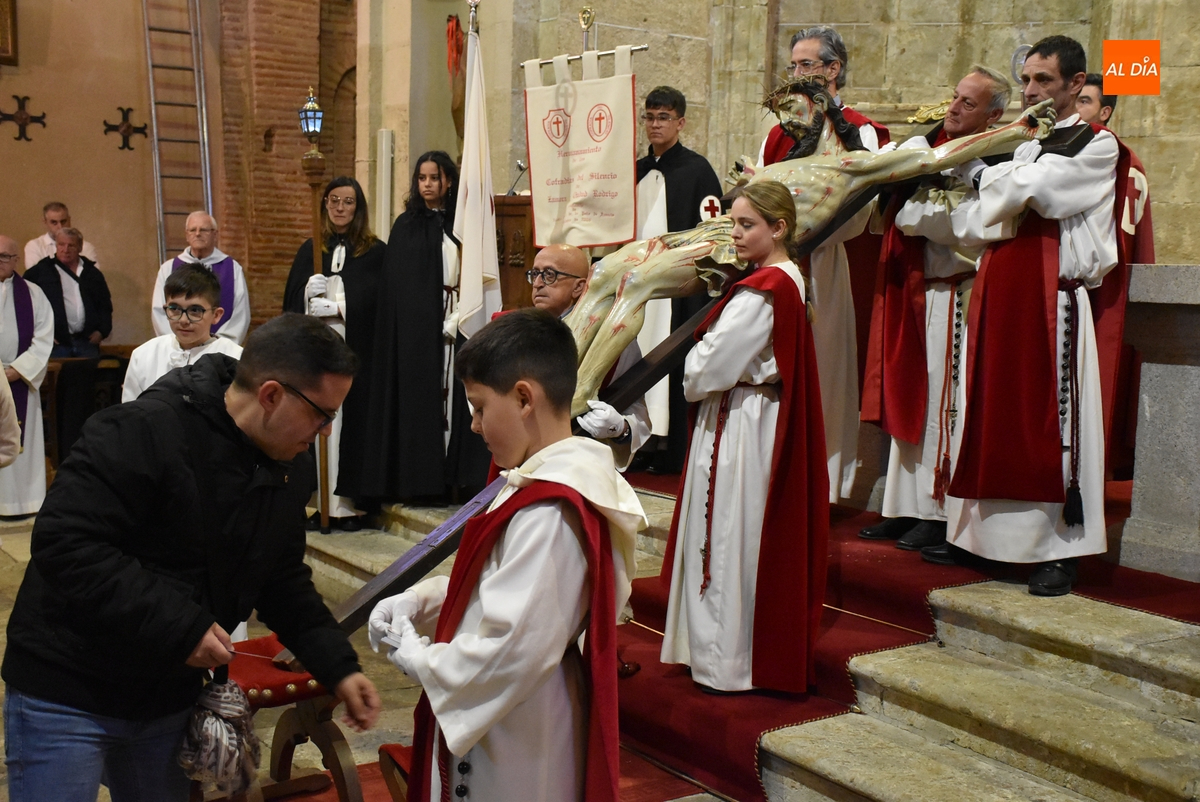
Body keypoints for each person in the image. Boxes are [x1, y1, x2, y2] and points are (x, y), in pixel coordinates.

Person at [2, 314, 381, 801]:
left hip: (165, 697)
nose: (327, 431)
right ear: (270, 395)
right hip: (68, 688)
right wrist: (183, 627)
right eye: (321, 414)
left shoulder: (289, 463)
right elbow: (67, 545)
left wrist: (339, 666)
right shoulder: (140, 429)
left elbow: (281, 578)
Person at [368, 309, 644, 802]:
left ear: (523, 398)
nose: (473, 425)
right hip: (510, 706)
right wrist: (421, 600)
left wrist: (417, 658)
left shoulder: (553, 510)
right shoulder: (537, 478)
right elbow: (497, 577)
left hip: (518, 721)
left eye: (477, 407)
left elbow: (512, 647)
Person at [918, 36, 1135, 597]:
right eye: (1026, 81)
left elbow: (1044, 193)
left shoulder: (1099, 144)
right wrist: (997, 184)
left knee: (1055, 423)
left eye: (1043, 80)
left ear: (1074, 81)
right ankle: (986, 541)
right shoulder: (1026, 145)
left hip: (1053, 299)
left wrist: (981, 177)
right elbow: (998, 208)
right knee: (989, 411)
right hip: (1004, 290)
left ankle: (1058, 551)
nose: (1032, 91)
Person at [659, 181, 829, 693]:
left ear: (778, 228)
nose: (733, 234)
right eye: (733, 222)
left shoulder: (765, 289)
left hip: (742, 420)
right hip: (749, 414)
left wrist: (701, 353)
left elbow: (703, 373)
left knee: (728, 534)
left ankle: (724, 662)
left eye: (746, 224)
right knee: (736, 534)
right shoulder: (781, 279)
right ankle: (727, 655)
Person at [859, 66, 1013, 551]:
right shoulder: (927, 149)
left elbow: (975, 226)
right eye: (954, 97)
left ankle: (939, 509)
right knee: (912, 400)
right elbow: (896, 215)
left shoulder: (1001, 157)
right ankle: (904, 507)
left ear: (995, 114)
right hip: (919, 289)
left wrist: (921, 218)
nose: (953, 109)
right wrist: (922, 217)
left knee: (947, 409)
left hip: (963, 295)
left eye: (968, 104)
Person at [757, 25, 890, 502]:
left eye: (807, 65)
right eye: (793, 65)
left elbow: (860, 204)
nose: (796, 75)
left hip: (826, 264)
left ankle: (820, 483)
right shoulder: (776, 133)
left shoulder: (860, 130)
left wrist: (802, 232)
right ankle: (767, 472)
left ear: (834, 70)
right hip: (774, 267)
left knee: (823, 374)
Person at [363, 151, 488, 501]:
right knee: (424, 401)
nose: (428, 184)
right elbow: (403, 288)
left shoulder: (460, 224)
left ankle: (458, 477)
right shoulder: (407, 226)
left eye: (434, 177)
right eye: (422, 178)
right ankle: (423, 481)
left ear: (448, 180)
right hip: (420, 333)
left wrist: (459, 314)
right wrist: (429, 319)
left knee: (459, 400)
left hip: (458, 321)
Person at [283, 176, 386, 530]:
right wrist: (305, 296)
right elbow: (292, 303)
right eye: (334, 201)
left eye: (348, 202)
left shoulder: (374, 251)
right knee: (316, 420)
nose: (340, 208)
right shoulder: (311, 249)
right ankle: (316, 504)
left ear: (358, 208)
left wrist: (343, 306)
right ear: (325, 204)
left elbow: (379, 302)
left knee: (350, 426)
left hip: (356, 350)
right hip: (317, 354)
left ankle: (349, 506)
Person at [634, 86, 724, 474]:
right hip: (637, 283)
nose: (655, 124)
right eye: (650, 117)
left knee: (667, 361)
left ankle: (668, 446)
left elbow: (712, 229)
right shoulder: (634, 170)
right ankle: (636, 442)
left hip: (675, 289)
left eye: (663, 117)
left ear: (680, 122)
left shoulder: (697, 169)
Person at [530, 243, 651, 469]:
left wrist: (619, 429)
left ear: (580, 287)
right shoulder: (516, 331)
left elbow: (637, 411)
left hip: (583, 465)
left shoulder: (613, 337)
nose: (537, 283)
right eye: (535, 273)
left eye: (549, 275)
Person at [123, 264, 243, 402]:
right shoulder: (143, 355)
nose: (184, 320)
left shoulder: (234, 358)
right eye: (174, 309)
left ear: (216, 315)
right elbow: (131, 412)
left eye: (195, 310)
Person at [0, 235, 53, 517]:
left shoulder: (33, 294)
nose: (0, 262)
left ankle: (23, 503)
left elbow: (44, 338)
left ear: (16, 260)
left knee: (19, 440)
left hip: (18, 378)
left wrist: (17, 371)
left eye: (5, 257)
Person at [150, 211, 250, 344]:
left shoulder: (232, 268)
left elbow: (240, 312)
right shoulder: (168, 268)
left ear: (215, 235)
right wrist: (179, 342)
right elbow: (160, 311)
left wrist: (218, 344)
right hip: (179, 349)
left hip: (218, 351)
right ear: (186, 235)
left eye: (204, 230)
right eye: (192, 230)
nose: (197, 234)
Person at [24, 227, 112, 358]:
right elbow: (25, 305)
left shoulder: (92, 274)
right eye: (61, 244)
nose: (65, 250)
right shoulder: (40, 272)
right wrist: (40, 334)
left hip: (87, 342)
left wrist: (101, 331)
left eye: (71, 245)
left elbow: (105, 306)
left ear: (80, 248)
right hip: (56, 344)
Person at [24, 202, 99, 269]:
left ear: (69, 220)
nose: (60, 227)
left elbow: (93, 277)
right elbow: (35, 277)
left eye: (63, 221)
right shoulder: (35, 246)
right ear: (45, 222)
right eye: (54, 222)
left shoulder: (85, 247)